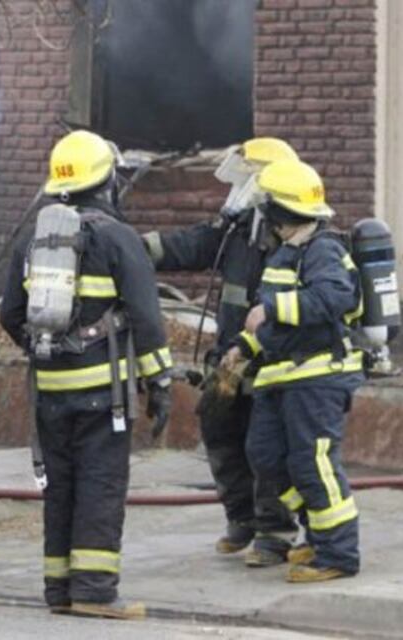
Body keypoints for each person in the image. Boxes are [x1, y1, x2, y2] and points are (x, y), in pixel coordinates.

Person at [0, 130, 172, 619]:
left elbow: (11, 314)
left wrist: (46, 353)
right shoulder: (118, 238)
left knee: (60, 488)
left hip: (49, 394)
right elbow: (146, 319)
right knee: (99, 486)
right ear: (107, 182)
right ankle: (94, 592)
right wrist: (159, 385)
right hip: (104, 395)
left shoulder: (33, 237)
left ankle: (59, 589)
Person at [140, 138, 299, 566]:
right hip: (230, 358)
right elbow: (191, 245)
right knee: (219, 430)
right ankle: (242, 520)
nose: (239, 189)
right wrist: (134, 248)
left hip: (270, 363)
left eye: (248, 180)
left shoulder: (293, 241)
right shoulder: (238, 231)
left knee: (265, 448)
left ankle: (275, 533)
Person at [235, 159, 364, 582]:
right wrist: (243, 346)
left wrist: (270, 309)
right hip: (280, 377)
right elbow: (265, 321)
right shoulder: (285, 253)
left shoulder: (323, 249)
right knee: (266, 456)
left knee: (313, 462)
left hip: (317, 377)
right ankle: (318, 533)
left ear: (281, 212)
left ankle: (338, 554)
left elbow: (333, 300)